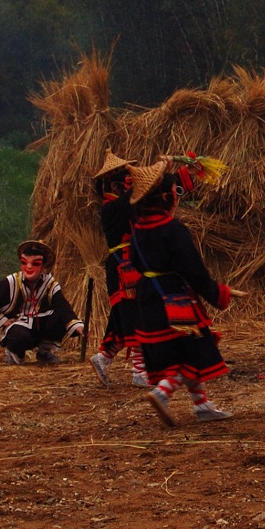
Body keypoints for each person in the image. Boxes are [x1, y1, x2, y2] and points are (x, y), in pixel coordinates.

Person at [127, 158, 238, 425]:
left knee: (181, 350)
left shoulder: (139, 229)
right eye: (176, 192)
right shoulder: (172, 229)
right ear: (166, 197)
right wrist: (217, 293)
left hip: (147, 297)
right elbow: (193, 269)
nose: (177, 197)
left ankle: (202, 405)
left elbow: (134, 261)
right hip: (172, 298)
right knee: (192, 351)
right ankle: (163, 392)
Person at [86, 150, 145, 386]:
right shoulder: (111, 207)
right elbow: (134, 197)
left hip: (130, 264)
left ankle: (103, 358)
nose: (127, 180)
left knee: (123, 319)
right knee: (135, 316)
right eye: (123, 176)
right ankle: (140, 371)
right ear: (113, 181)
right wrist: (146, 177)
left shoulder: (122, 203)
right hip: (121, 268)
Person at [0, 240, 84, 365]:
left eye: (35, 264)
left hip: (40, 325)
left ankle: (44, 352)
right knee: (20, 337)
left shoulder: (50, 284)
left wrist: (77, 326)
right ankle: (15, 352)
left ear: (43, 267)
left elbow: (62, 306)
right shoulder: (12, 282)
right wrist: (2, 320)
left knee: (60, 317)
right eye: (24, 263)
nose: (28, 267)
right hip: (18, 325)